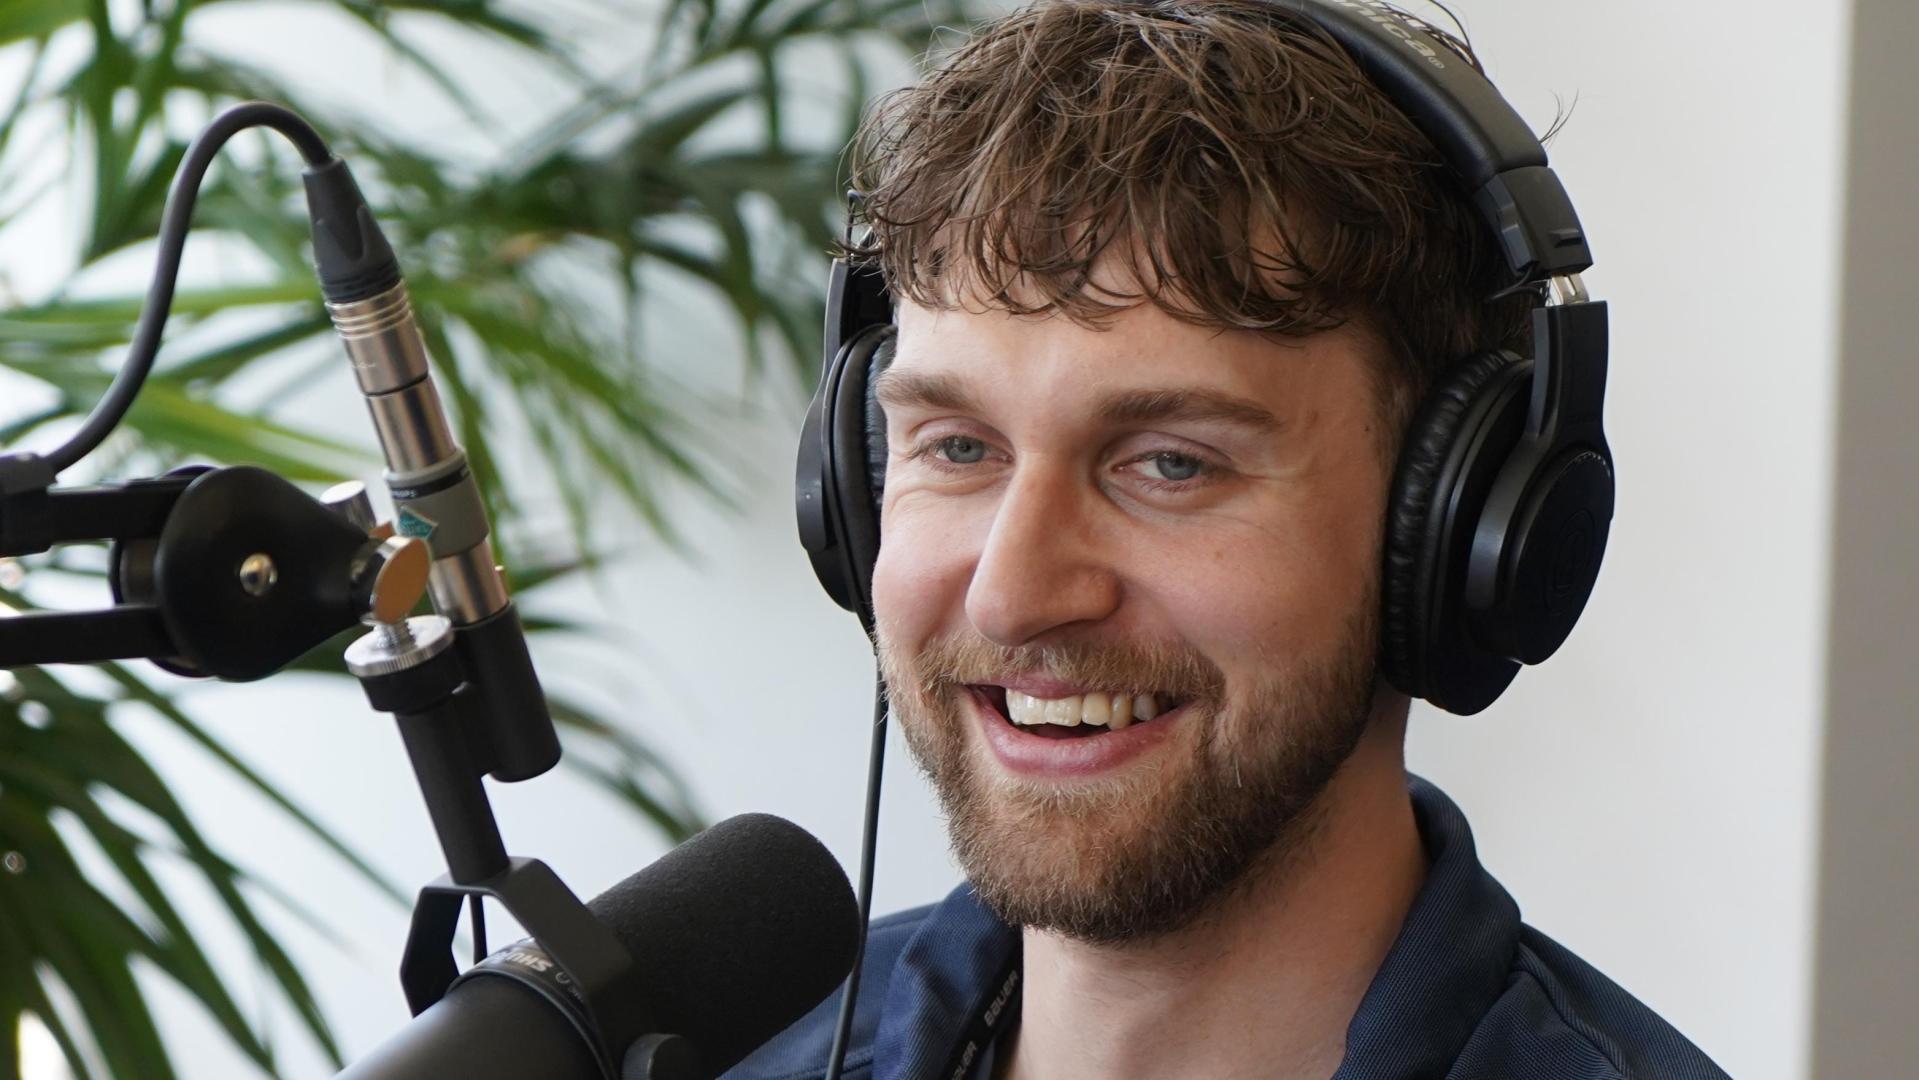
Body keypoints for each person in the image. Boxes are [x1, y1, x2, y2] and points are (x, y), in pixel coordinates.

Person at [743, 1, 1729, 1077]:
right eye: (958, 448)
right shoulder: (748, 1050)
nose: (1010, 596)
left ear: (1460, 533)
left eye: (1171, 464)